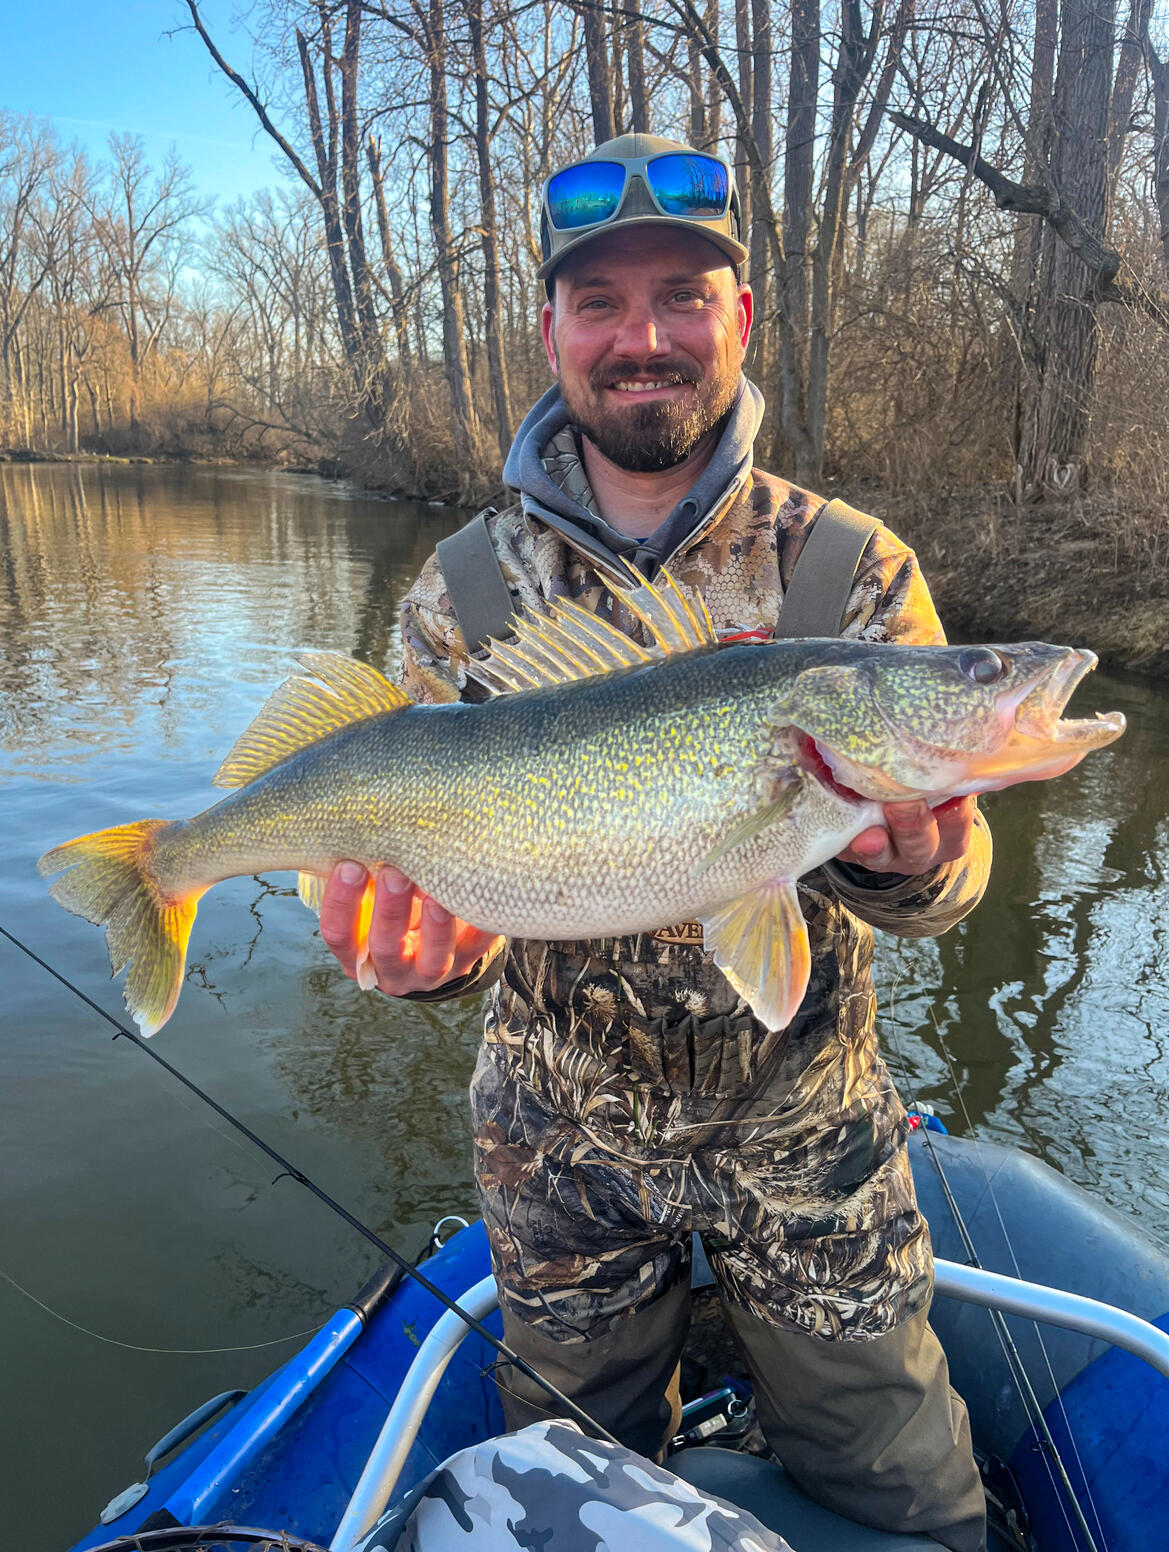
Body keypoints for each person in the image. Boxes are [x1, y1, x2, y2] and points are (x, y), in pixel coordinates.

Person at [319, 134, 991, 1552]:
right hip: (555, 1152)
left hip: (812, 1144)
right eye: (601, 302)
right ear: (552, 329)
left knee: (916, 1504)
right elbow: (440, 901)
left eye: (683, 295)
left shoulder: (851, 570)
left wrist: (909, 857)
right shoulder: (456, 594)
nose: (644, 337)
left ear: (740, 318)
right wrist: (414, 957)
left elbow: (948, 882)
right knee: (559, 1487)